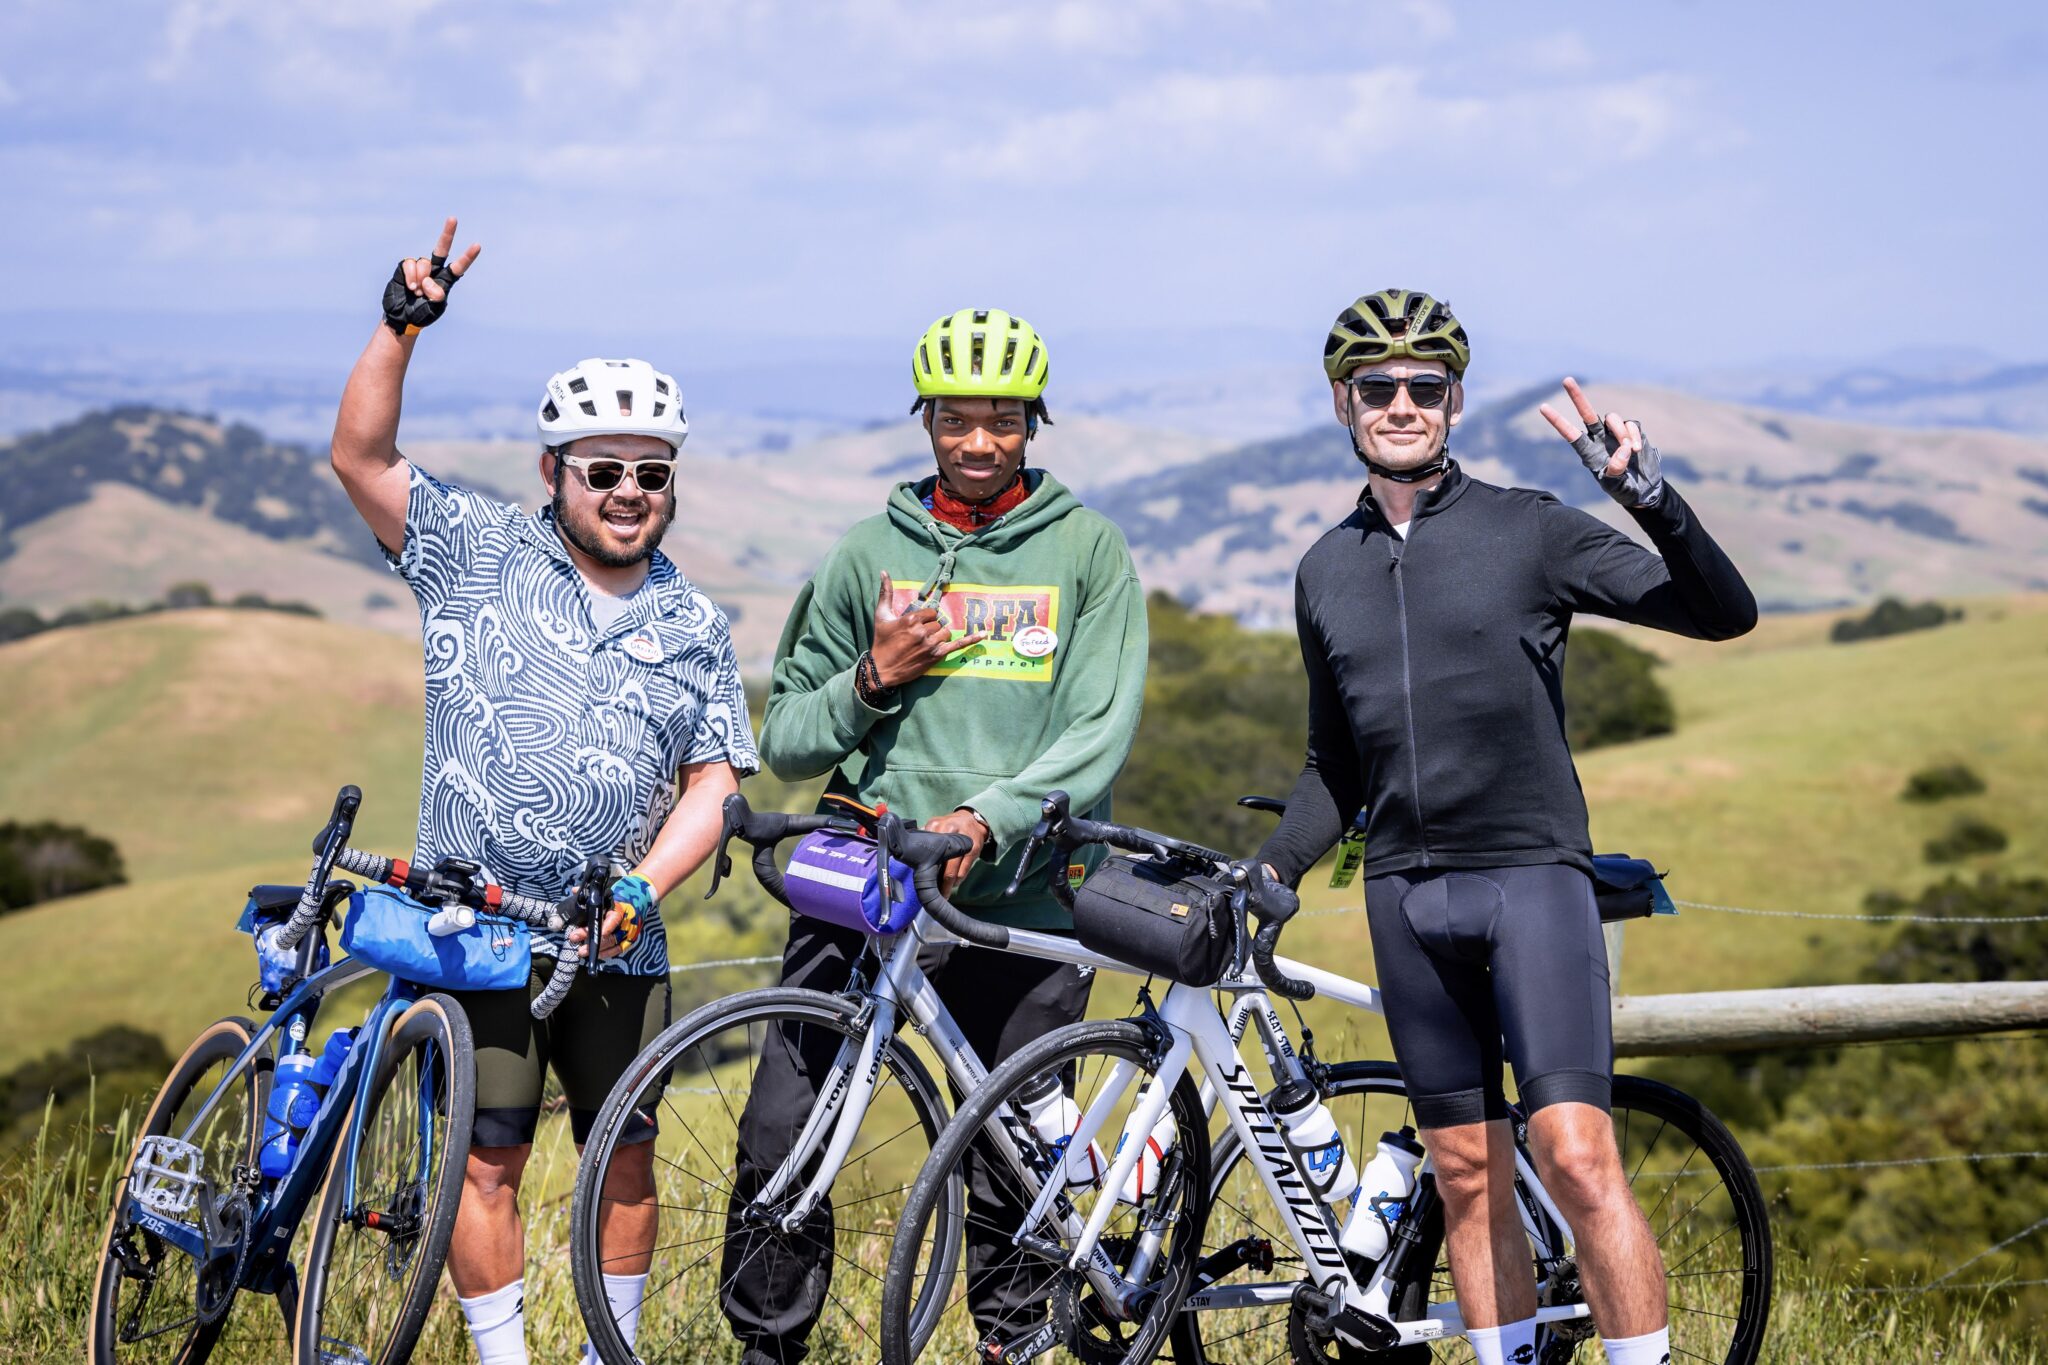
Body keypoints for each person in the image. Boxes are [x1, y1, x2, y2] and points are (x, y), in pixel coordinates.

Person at [1258, 290, 1757, 1365]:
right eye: (1378, 387)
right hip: (1401, 894)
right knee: (1465, 1174)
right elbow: (1329, 766)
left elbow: (1721, 612)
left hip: (1526, 878)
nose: (1402, 404)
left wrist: (1645, 495)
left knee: (1574, 1155)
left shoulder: (1526, 529)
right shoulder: (1322, 571)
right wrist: (1270, 868)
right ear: (1342, 401)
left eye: (1424, 386)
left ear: (1454, 401)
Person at [329, 216, 759, 1365]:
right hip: (477, 926)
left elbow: (716, 779)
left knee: (628, 1147)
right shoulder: (477, 552)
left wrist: (645, 881)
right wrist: (399, 325)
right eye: (604, 471)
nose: (629, 492)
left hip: (618, 934)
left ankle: (609, 1354)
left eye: (651, 474)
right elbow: (362, 460)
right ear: (554, 474)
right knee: (489, 1155)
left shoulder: (694, 622)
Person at [727, 308, 1149, 1362]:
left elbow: (1095, 734)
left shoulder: (1086, 552)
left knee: (1011, 1156)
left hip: (1021, 893)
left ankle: (1016, 1346)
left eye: (998, 422)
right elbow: (783, 737)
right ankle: (765, 1347)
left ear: (1030, 424)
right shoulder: (866, 552)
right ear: (925, 420)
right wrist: (872, 680)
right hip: (861, 883)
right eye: (954, 420)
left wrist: (985, 819)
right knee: (783, 1133)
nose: (974, 443)